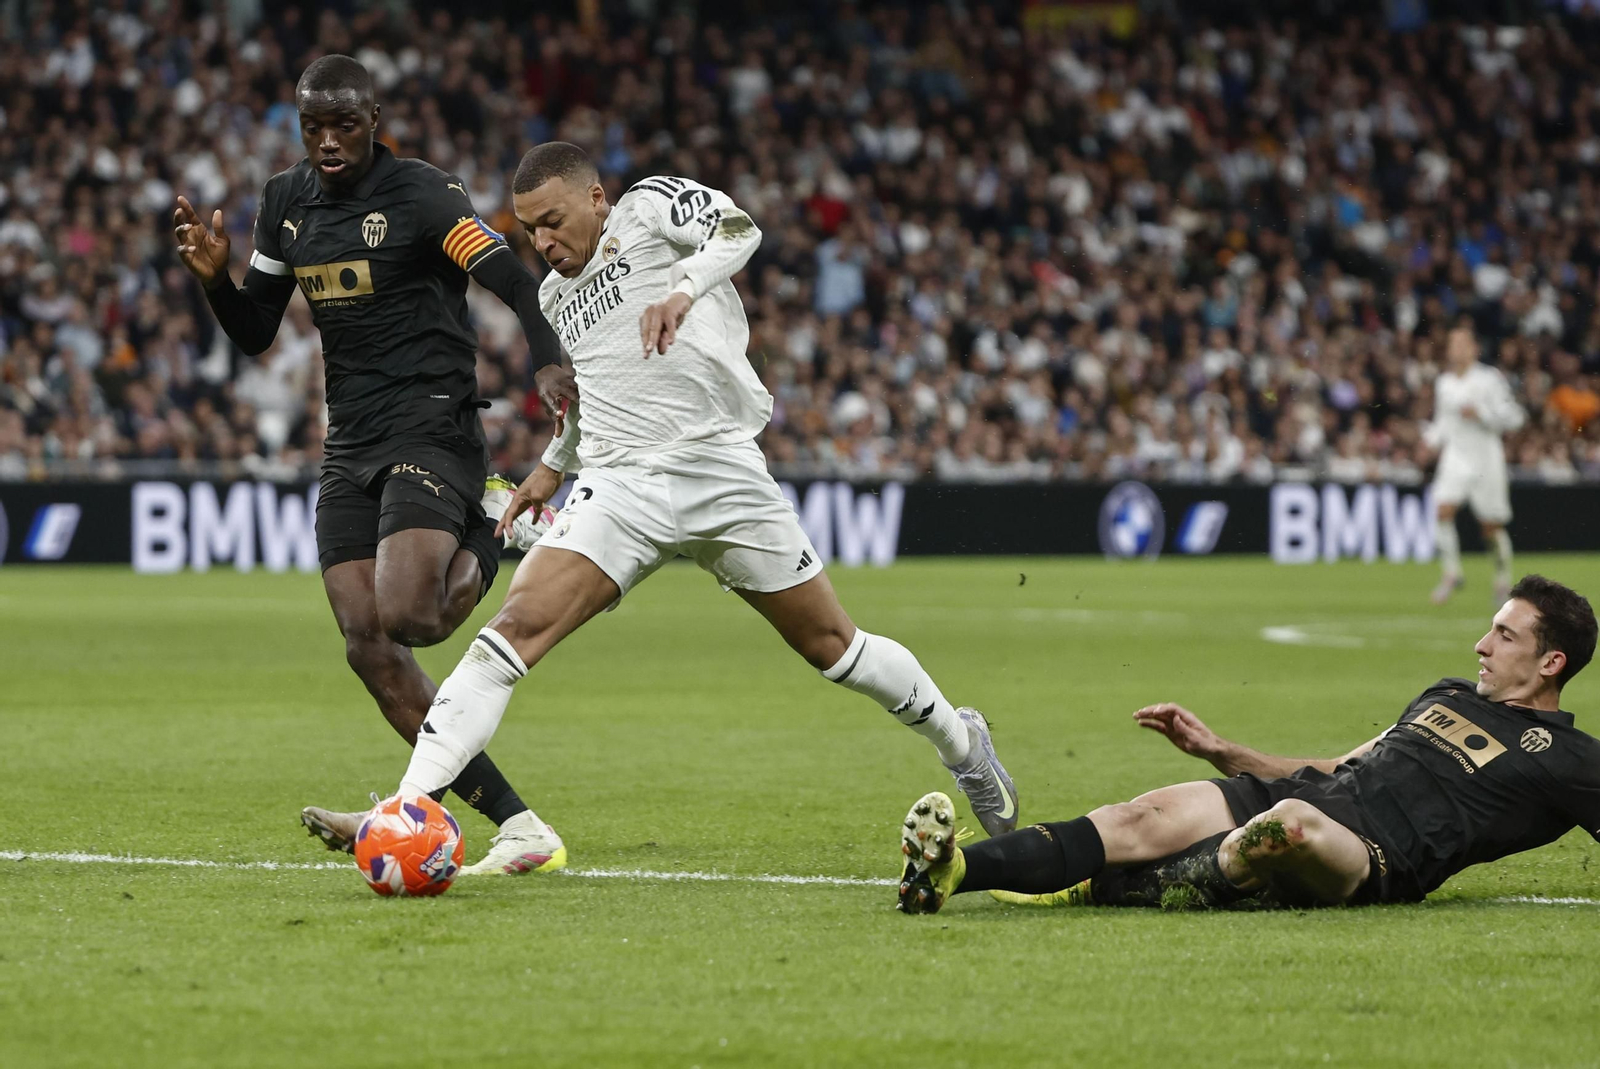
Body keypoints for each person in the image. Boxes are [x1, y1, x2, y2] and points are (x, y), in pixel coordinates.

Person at [338, 142, 1018, 866]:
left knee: (835, 648)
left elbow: (740, 229)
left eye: (554, 221)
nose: (543, 243)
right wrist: (550, 467)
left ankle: (962, 741)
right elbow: (597, 394)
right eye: (530, 230)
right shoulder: (554, 296)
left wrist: (684, 289)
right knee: (506, 639)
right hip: (622, 485)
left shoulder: (650, 207)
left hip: (719, 467)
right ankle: (409, 810)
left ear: (596, 199)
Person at [174, 56, 578, 876]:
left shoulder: (427, 195)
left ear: (374, 119)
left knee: (412, 614)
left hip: (431, 425)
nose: (327, 141)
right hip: (349, 440)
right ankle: (520, 823)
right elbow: (256, 330)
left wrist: (547, 363)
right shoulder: (286, 206)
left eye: (344, 125)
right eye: (312, 127)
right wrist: (217, 284)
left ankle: (492, 517)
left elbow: (512, 279)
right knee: (368, 643)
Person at [897, 575, 1598, 914]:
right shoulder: (1448, 694)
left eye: (1505, 635)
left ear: (1551, 663)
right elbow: (1342, 765)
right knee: (1138, 817)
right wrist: (1220, 750)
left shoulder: (1563, 755)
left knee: (1281, 831)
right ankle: (952, 871)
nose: (1481, 643)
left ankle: (1093, 888)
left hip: (1373, 856)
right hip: (1319, 796)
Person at [1426, 322, 1525, 606]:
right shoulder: (1443, 383)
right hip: (1455, 456)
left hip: (1485, 457)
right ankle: (1452, 572)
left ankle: (1503, 579)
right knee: (1442, 509)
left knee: (1490, 528)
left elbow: (1514, 418)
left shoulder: (1489, 379)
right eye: (1451, 344)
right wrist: (1429, 441)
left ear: (1474, 349)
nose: (1454, 349)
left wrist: (1480, 412)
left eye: (1460, 344)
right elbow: (1442, 422)